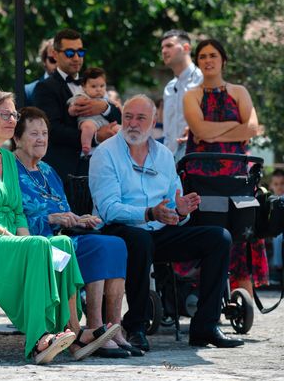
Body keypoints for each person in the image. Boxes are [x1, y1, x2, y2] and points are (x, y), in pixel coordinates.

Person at [0, 91, 120, 365]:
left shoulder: (8, 158)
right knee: (36, 246)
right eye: (5, 114)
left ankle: (74, 331)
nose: (12, 119)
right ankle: (38, 339)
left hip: (4, 236)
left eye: (13, 114)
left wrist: (23, 239)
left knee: (61, 245)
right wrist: (18, 241)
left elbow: (17, 212)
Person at [90, 94, 243, 351]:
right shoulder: (106, 153)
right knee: (139, 240)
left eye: (141, 118)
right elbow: (108, 209)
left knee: (219, 238)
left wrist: (181, 213)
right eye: (128, 117)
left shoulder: (163, 155)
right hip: (119, 232)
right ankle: (136, 326)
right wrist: (149, 213)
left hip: (158, 230)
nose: (133, 124)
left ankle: (205, 326)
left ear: (153, 121)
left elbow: (174, 203)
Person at [13, 107, 136, 358]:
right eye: (34, 133)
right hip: (38, 244)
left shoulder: (48, 171)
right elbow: (11, 218)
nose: (41, 139)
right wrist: (49, 218)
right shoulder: (10, 169)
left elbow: (64, 211)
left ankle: (114, 327)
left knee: (117, 244)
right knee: (99, 247)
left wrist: (80, 219)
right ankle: (93, 328)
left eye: (45, 133)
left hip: (64, 237)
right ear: (17, 138)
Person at [183, 38, 266, 297]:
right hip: (201, 176)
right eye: (203, 56)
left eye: (213, 56)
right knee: (206, 228)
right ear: (198, 62)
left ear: (223, 61)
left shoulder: (239, 91)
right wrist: (234, 128)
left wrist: (212, 133)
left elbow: (252, 129)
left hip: (237, 174)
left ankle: (242, 296)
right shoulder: (191, 94)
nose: (208, 60)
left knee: (241, 231)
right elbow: (199, 130)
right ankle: (204, 296)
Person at [32, 29, 120, 178]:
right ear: (55, 54)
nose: (76, 58)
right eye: (69, 53)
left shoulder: (91, 81)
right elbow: (52, 130)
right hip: (67, 171)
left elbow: (119, 116)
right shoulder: (45, 87)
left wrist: (104, 107)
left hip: (102, 166)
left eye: (80, 52)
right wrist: (95, 137)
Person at [160, 30, 203, 159]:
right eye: (162, 47)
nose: (164, 51)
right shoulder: (169, 87)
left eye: (169, 46)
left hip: (196, 158)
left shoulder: (203, 81)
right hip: (169, 160)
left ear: (186, 48)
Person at [67, 67, 119, 156]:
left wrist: (118, 106)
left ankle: (122, 146)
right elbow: (72, 104)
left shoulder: (105, 97)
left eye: (102, 86)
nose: (98, 89)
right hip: (88, 120)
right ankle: (86, 145)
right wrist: (73, 109)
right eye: (93, 86)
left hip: (104, 122)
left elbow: (114, 105)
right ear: (84, 87)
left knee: (117, 128)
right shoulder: (82, 96)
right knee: (88, 128)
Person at [24, 38, 56, 106]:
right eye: (53, 60)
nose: (58, 64)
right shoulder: (28, 91)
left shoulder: (79, 87)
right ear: (44, 61)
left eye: (61, 60)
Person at [269, 169, 284, 273]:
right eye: (276, 184)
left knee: (278, 238)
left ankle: (278, 266)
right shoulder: (269, 200)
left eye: (283, 183)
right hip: (271, 229)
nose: (279, 187)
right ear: (271, 186)